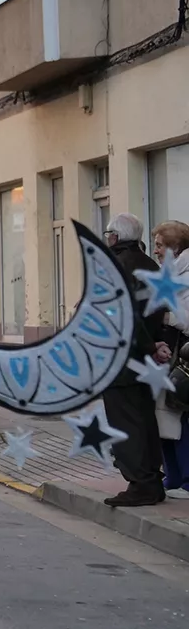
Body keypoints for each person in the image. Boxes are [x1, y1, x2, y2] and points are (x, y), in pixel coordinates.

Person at [102, 213, 167, 506]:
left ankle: (141, 485)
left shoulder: (113, 267)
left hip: (121, 360)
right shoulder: (151, 266)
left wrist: (147, 344)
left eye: (107, 234)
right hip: (147, 362)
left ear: (115, 237)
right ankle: (152, 480)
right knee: (144, 420)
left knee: (125, 423)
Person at [153, 220, 189, 498]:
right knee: (166, 417)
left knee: (180, 417)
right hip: (169, 356)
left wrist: (165, 316)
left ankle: (184, 476)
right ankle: (174, 474)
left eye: (159, 245)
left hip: (183, 358)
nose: (156, 251)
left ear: (174, 247)